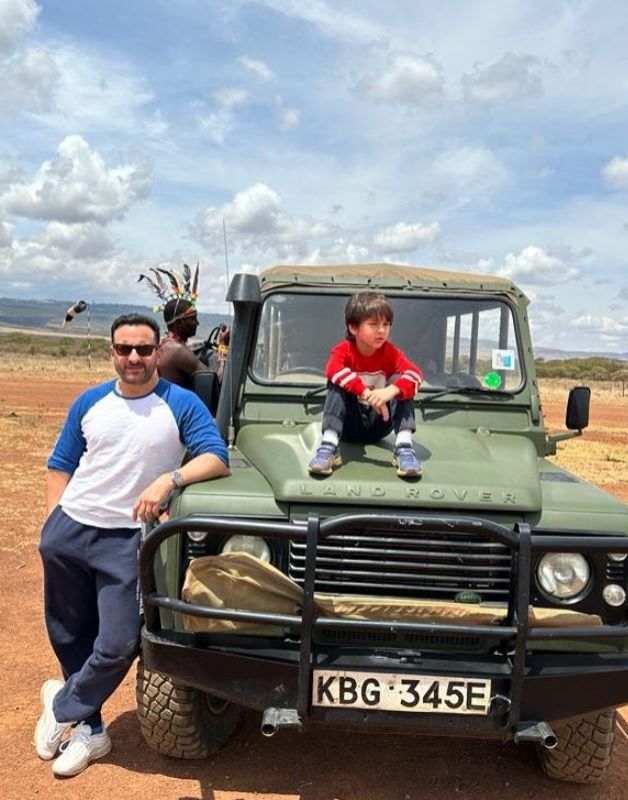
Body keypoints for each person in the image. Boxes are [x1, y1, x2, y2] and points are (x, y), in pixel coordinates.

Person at [35, 312, 229, 778]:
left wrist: (170, 478)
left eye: (144, 349)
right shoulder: (90, 401)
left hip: (127, 540)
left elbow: (215, 456)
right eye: (125, 349)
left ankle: (61, 706)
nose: (134, 358)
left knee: (119, 642)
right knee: (69, 634)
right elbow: (61, 463)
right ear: (113, 353)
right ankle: (92, 730)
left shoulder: (179, 404)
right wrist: (51, 524)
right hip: (70, 532)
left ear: (158, 352)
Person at [308, 292, 423, 478]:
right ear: (353, 327)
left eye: (386, 324)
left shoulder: (391, 353)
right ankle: (329, 446)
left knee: (403, 382)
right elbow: (333, 370)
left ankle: (404, 447)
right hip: (346, 424)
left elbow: (416, 375)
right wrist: (367, 393)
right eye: (374, 324)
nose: (381, 330)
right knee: (337, 382)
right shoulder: (343, 350)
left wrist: (389, 391)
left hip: (380, 423)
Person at [158, 296, 206, 390]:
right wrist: (223, 348)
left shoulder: (167, 344)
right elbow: (214, 380)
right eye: (193, 319)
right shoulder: (177, 350)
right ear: (179, 322)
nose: (197, 323)